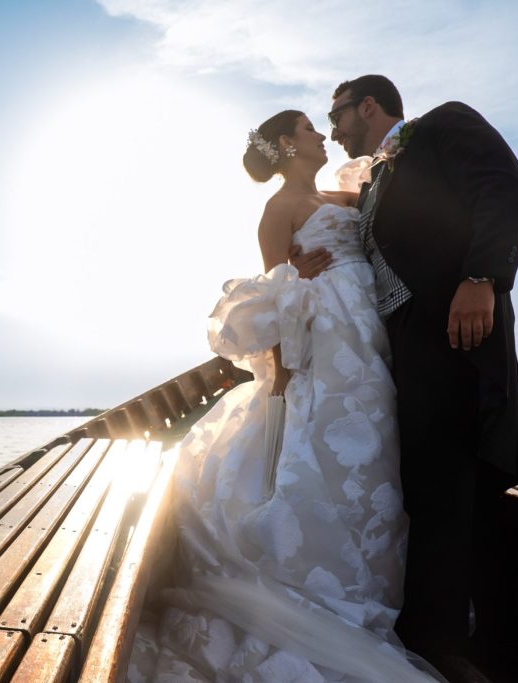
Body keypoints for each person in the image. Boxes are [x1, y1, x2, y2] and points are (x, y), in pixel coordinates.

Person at [131, 110, 440, 682]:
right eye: (307, 129)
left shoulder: (346, 196)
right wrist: (283, 376)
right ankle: (319, 578)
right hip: (323, 343)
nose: (320, 135)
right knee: (331, 447)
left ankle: (371, 572)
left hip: (368, 332)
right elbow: (274, 297)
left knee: (375, 447)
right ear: (284, 145)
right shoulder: (277, 210)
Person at [290, 75, 518, 680]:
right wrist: (296, 259)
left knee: (458, 483)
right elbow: (333, 229)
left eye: (338, 114)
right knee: (431, 486)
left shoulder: (442, 125)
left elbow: (504, 188)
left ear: (368, 106)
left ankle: (465, 642)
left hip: (459, 333)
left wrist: (481, 278)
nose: (335, 128)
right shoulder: (372, 180)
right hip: (403, 352)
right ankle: (461, 633)